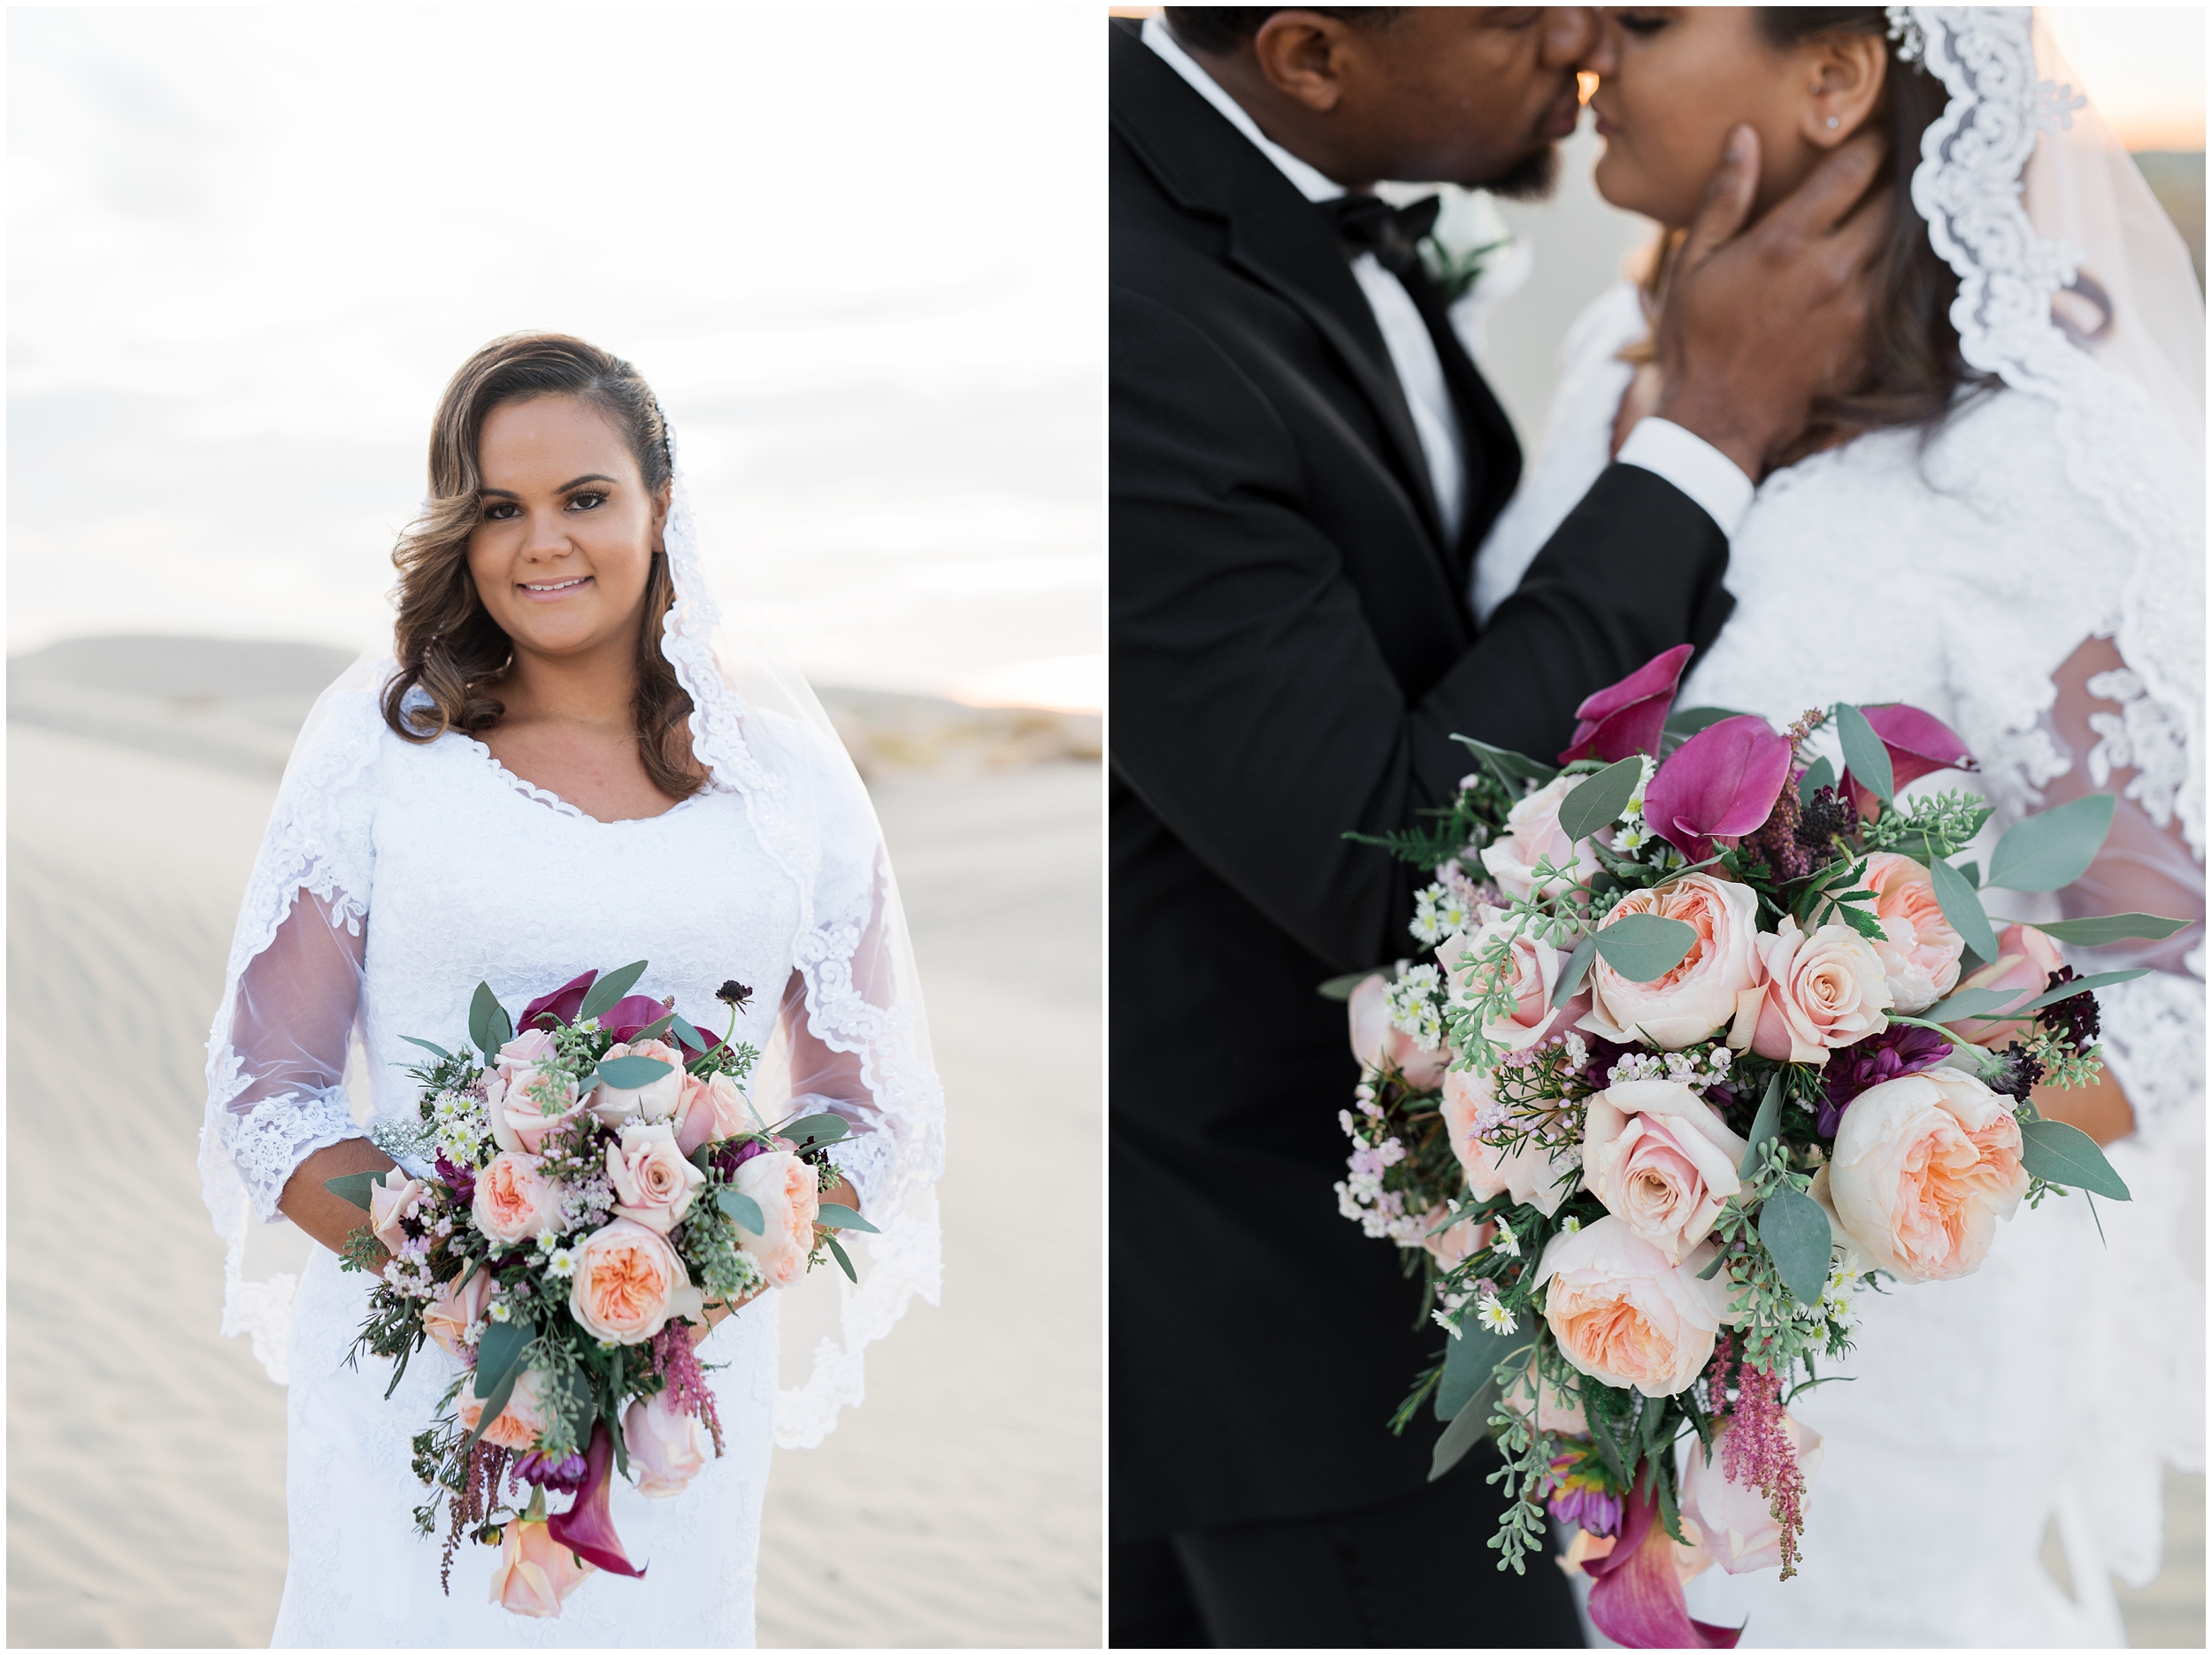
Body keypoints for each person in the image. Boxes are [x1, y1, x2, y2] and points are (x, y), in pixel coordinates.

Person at [1108, 7, 1891, 1644]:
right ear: (1311, 55)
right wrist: (1711, 430)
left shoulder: (1296, 202)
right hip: (1270, 1340)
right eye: (1515, 6)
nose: (1587, 25)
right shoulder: (1126, 311)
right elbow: (1383, 852)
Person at [1471, 8, 2203, 1644]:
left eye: (1650, 19)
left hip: (1890, 1350)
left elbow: (2170, 976)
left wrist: (1811, 1123)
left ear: (1834, 77)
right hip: (1605, 1316)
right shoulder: (1611, 365)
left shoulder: (2030, 464)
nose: (1590, 44)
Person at [196, 334, 945, 1646]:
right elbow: (273, 1090)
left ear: (661, 505)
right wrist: (477, 1277)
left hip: (682, 1403)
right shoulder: (383, 753)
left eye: (584, 498)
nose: (542, 543)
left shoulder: (785, 783)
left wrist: (685, 1273)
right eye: (498, 508)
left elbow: (864, 1104)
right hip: (422, 1387)